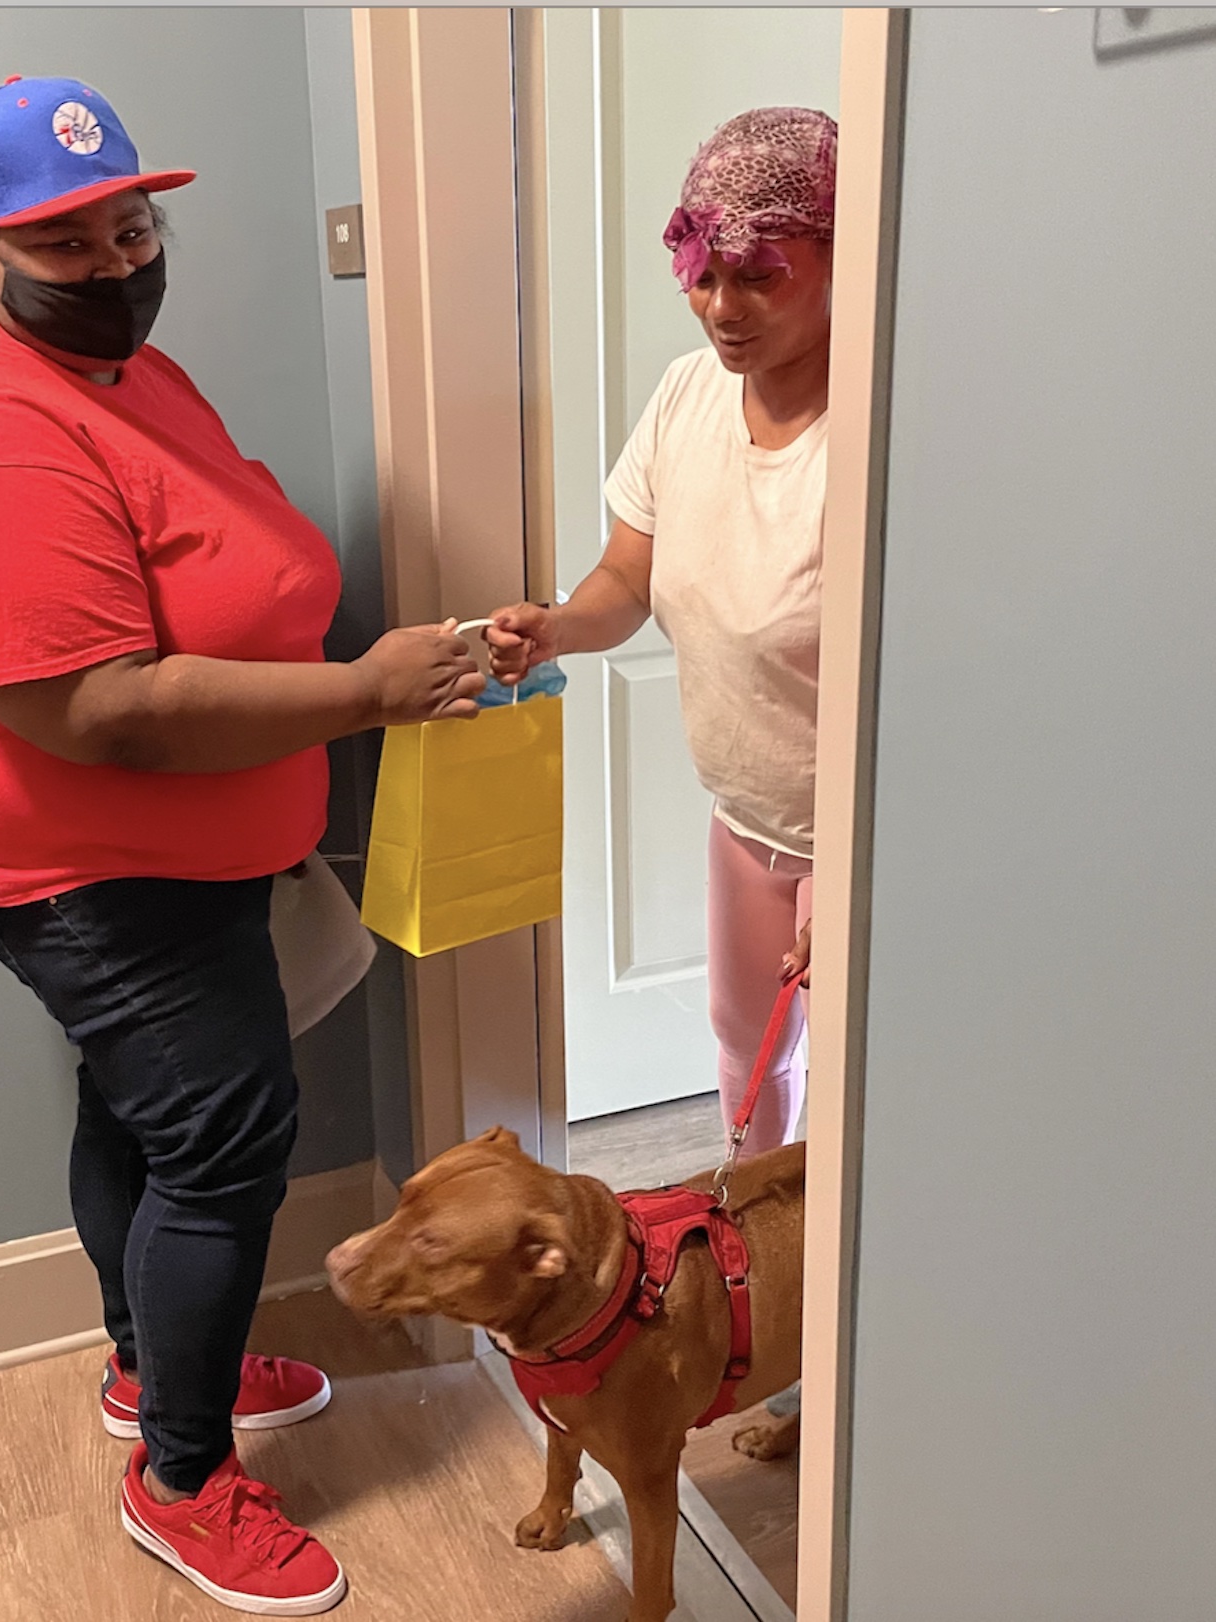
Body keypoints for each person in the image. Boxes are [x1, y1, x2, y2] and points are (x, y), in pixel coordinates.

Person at [0, 75, 483, 1616]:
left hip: (181, 858)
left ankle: (152, 1367)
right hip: (91, 869)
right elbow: (104, 710)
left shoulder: (124, 374)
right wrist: (363, 691)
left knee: (143, 1118)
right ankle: (185, 1476)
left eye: (134, 223)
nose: (119, 260)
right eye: (66, 242)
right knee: (217, 1136)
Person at [489, 107, 835, 1156]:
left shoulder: (873, 432)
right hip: (744, 813)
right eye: (702, 273)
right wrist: (554, 627)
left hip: (859, 834)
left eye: (759, 274)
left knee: (862, 1066)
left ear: (839, 258)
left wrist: (871, 878)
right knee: (746, 1049)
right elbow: (627, 577)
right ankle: (756, 1251)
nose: (722, 309)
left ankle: (841, 1293)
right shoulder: (689, 396)